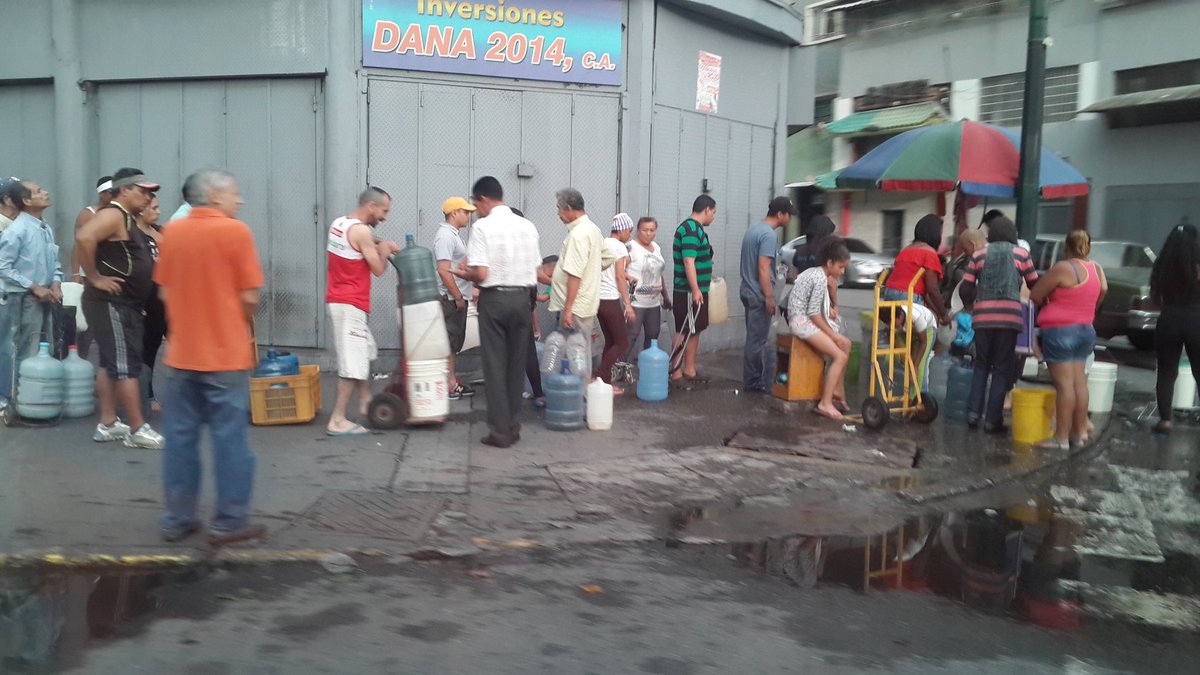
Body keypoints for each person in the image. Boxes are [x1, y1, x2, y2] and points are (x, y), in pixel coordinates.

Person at [155, 168, 267, 544]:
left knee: (180, 439)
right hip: (224, 355)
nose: (241, 200)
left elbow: (166, 293)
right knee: (229, 440)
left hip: (182, 355)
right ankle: (229, 521)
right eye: (235, 193)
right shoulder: (235, 232)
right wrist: (231, 322)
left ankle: (177, 519)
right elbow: (250, 297)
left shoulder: (173, 232)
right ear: (215, 196)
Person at [75, 168, 164, 449]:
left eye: (150, 194)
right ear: (124, 190)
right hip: (112, 303)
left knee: (110, 363)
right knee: (126, 366)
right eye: (143, 191)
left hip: (124, 303)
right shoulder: (113, 214)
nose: (148, 198)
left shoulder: (126, 218)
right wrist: (94, 277)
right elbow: (84, 238)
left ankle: (108, 423)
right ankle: (137, 428)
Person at [452, 176, 541, 448]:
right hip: (522, 300)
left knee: (494, 365)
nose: (476, 210)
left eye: (476, 203)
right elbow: (536, 268)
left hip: (494, 300)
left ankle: (499, 432)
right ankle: (512, 427)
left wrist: (464, 273)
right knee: (515, 365)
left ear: (484, 199)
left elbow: (481, 272)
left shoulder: (483, 227)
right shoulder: (527, 226)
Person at [324, 187, 399, 436]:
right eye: (384, 211)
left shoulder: (341, 224)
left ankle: (366, 400)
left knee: (364, 350)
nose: (385, 217)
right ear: (371, 206)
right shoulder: (362, 231)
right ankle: (337, 420)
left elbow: (362, 240)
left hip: (341, 300)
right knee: (352, 364)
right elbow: (377, 269)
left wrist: (380, 242)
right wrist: (385, 252)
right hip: (350, 304)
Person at [958, 216, 1039, 432]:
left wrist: (973, 303)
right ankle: (992, 420)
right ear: (1012, 234)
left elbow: (965, 288)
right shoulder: (1022, 254)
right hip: (1009, 319)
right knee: (1002, 368)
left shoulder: (979, 255)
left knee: (981, 365)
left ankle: (973, 414)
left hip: (983, 318)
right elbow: (1035, 284)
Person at [1030, 230, 1107, 449]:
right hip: (1085, 331)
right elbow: (1103, 290)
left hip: (1061, 332)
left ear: (1066, 247)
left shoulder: (1064, 268)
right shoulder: (1095, 269)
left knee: (1064, 386)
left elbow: (1036, 295)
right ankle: (1077, 433)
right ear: (1088, 247)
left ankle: (1060, 438)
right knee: (1079, 384)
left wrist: (1050, 299)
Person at [0, 179, 63, 411]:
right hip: (24, 298)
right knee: (23, 348)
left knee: (44, 346)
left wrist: (56, 282)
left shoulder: (44, 228)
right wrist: (34, 287)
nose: (45, 192)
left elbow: (54, 260)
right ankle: (17, 400)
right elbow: (3, 266)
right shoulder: (17, 230)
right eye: (39, 191)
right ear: (26, 201)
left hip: (45, 295)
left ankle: (36, 398)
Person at [547, 188, 616, 377]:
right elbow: (609, 256)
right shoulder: (592, 229)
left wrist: (568, 310)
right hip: (583, 303)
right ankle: (579, 393)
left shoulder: (578, 235)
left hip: (575, 306)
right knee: (580, 350)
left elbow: (575, 275)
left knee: (576, 354)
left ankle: (578, 395)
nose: (558, 213)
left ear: (569, 208)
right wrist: (591, 270)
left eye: (559, 208)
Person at [787, 238, 853, 420]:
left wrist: (835, 336)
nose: (842, 271)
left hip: (804, 319)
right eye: (840, 267)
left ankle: (837, 391)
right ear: (830, 263)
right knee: (839, 355)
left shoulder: (816, 273)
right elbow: (814, 314)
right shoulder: (819, 278)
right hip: (801, 322)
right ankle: (825, 403)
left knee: (846, 344)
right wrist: (832, 335)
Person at [1149, 222, 1200, 435]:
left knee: (1167, 372)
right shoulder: (1197, 262)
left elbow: (1155, 296)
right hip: (1196, 319)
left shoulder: (1163, 264)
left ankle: (1165, 421)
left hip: (1169, 318)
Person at [739, 196, 793, 393]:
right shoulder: (768, 235)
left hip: (747, 290)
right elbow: (763, 268)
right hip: (758, 293)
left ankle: (753, 380)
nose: (790, 219)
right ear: (780, 214)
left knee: (754, 339)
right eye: (789, 215)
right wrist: (769, 297)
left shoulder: (754, 229)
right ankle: (753, 383)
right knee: (757, 341)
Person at [434, 196, 477, 400]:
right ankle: (449, 385)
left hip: (456, 297)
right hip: (451, 299)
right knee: (449, 344)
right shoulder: (445, 236)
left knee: (452, 344)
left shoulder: (453, 234)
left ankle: (450, 381)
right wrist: (458, 296)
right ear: (454, 213)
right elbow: (443, 271)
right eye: (465, 212)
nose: (469, 216)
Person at [671, 195, 717, 381]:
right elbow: (689, 260)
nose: (713, 217)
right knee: (684, 330)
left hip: (695, 290)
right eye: (713, 213)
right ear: (706, 210)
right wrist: (696, 289)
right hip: (688, 292)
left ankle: (689, 368)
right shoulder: (690, 229)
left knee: (694, 329)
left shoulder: (695, 229)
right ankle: (676, 370)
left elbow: (696, 260)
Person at [596, 213, 635, 391]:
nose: (630, 234)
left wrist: (627, 275)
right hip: (610, 299)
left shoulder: (603, 243)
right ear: (623, 230)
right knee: (622, 343)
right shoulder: (619, 246)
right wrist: (627, 304)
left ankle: (603, 383)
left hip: (598, 300)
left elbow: (610, 271)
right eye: (630, 230)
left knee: (611, 341)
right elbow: (619, 276)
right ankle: (600, 380)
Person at [885, 214, 949, 321]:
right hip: (908, 296)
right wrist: (944, 315)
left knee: (898, 332)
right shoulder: (929, 253)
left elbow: (924, 292)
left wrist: (937, 312)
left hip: (889, 293)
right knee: (925, 332)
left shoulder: (905, 250)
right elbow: (932, 289)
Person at [136, 195, 167, 413]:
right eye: (153, 208)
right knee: (148, 347)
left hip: (167, 297)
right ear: (140, 210)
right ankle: (147, 395)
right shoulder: (133, 235)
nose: (158, 211)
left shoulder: (162, 231)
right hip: (146, 299)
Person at [625, 217, 670, 361]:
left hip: (654, 302)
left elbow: (659, 275)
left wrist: (666, 296)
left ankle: (646, 365)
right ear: (638, 231)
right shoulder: (630, 247)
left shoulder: (656, 248)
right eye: (645, 230)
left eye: (652, 230)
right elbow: (618, 270)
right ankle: (619, 366)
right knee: (632, 334)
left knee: (653, 334)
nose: (648, 233)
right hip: (636, 301)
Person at [72, 176, 115, 281]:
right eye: (111, 192)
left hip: (112, 272)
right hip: (90, 274)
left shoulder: (118, 213)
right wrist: (76, 274)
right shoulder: (87, 214)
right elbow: (78, 245)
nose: (115, 195)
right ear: (101, 194)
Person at [790, 213, 836, 278]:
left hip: (801, 286)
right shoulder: (827, 252)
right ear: (826, 233)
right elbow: (830, 277)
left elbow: (795, 274)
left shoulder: (799, 251)